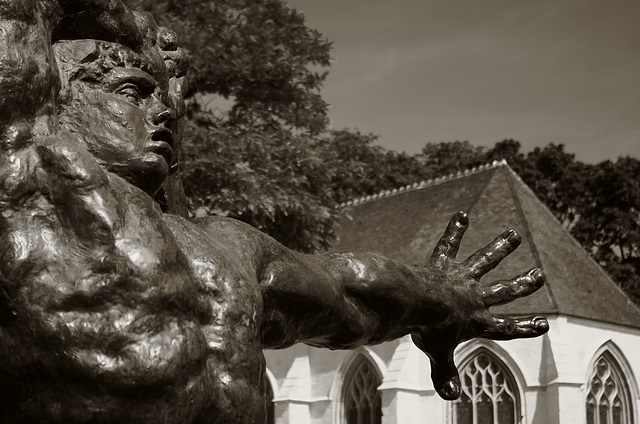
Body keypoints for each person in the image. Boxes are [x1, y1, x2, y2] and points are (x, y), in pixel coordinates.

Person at [0, 1, 548, 422]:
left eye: (162, 98)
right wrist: (132, 28)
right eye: (131, 92)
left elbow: (351, 292)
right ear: (55, 101)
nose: (163, 111)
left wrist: (443, 298)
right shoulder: (25, 184)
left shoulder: (227, 247)